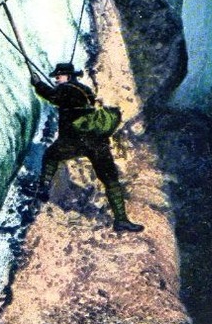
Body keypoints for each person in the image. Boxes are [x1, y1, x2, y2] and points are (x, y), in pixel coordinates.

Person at [31, 62, 144, 233]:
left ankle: (43, 190)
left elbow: (53, 97)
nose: (56, 79)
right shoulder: (85, 90)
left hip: (76, 141)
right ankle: (121, 220)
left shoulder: (66, 88)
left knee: (51, 155)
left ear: (68, 77)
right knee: (110, 179)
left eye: (58, 76)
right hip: (98, 142)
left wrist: (38, 84)